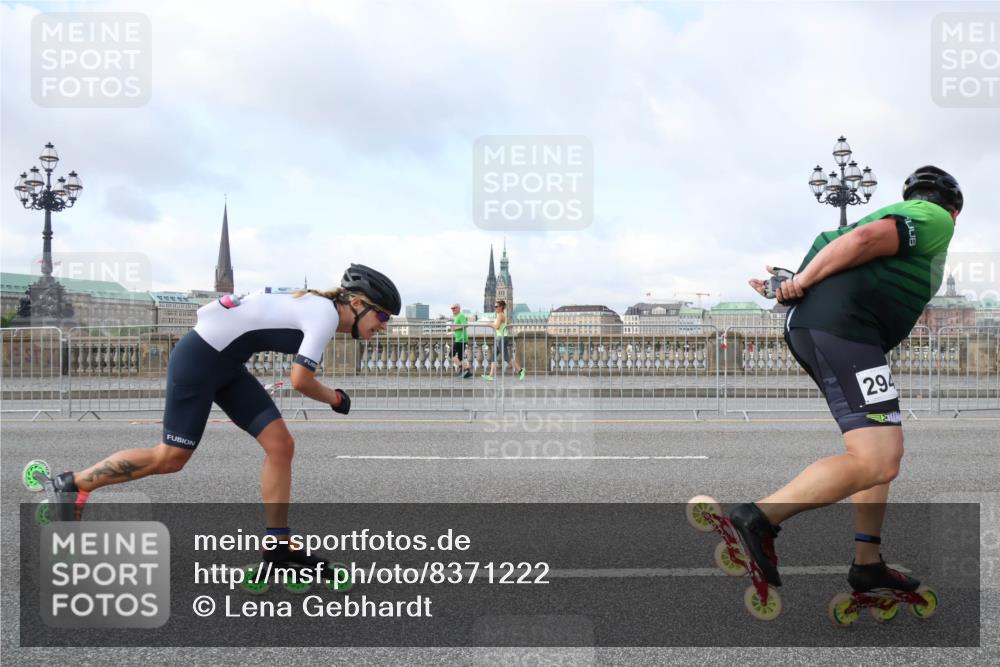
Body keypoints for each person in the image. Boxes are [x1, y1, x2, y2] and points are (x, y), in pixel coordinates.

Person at [44, 264, 400, 572]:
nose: (382, 326)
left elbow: (222, 312)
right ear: (356, 303)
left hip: (225, 364)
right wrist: (335, 398)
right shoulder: (324, 313)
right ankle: (74, 483)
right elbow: (300, 380)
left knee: (280, 445)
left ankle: (277, 544)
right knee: (171, 458)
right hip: (199, 361)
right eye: (381, 316)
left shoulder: (316, 306)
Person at [733, 166, 961, 596]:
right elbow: (863, 240)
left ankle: (868, 561)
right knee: (879, 458)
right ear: (956, 211)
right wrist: (799, 281)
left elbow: (836, 258)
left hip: (827, 329)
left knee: (881, 447)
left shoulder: (871, 225)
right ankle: (760, 517)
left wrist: (788, 282)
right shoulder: (933, 218)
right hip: (846, 330)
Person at [482, 299, 524, 381]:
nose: (495, 308)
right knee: (493, 357)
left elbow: (497, 326)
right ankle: (491, 376)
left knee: (506, 357)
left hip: (501, 338)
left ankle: (520, 370)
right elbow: (498, 325)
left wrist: (489, 324)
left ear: (501, 307)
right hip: (500, 337)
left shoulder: (500, 315)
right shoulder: (500, 314)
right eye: (495, 306)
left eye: (496, 306)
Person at [449, 303, 472, 379]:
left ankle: (463, 368)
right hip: (460, 338)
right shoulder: (456, 317)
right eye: (452, 308)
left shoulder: (461, 315)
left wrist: (454, 328)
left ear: (458, 308)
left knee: (451, 354)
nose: (453, 310)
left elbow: (465, 325)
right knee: (460, 357)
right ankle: (468, 372)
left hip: (460, 339)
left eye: (454, 308)